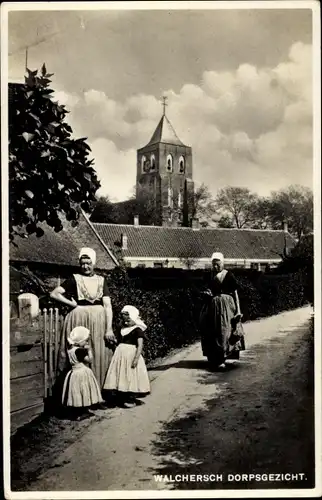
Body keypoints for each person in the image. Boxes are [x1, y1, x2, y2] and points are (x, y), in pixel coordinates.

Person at [51, 247, 116, 390]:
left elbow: (107, 305)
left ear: (94, 263)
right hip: (79, 318)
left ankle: (98, 392)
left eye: (88, 263)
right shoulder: (74, 279)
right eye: (82, 263)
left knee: (98, 353)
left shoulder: (101, 280)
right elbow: (54, 294)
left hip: (99, 321)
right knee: (79, 353)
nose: (85, 266)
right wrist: (72, 304)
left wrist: (109, 328)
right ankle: (78, 392)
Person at [199, 252, 244, 370]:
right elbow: (205, 289)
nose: (215, 267)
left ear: (222, 263)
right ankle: (213, 357)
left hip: (227, 307)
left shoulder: (228, 275)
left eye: (217, 264)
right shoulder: (209, 276)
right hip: (212, 306)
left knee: (224, 331)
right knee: (210, 331)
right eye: (213, 265)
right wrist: (206, 293)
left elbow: (235, 293)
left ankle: (222, 358)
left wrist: (238, 310)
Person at [103, 305, 150, 408]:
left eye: (128, 316)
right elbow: (120, 341)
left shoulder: (137, 330)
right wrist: (114, 341)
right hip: (120, 354)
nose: (126, 319)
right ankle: (122, 396)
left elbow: (140, 345)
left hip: (131, 354)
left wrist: (136, 358)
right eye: (124, 316)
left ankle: (131, 397)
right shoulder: (122, 329)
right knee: (122, 373)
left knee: (131, 374)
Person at [62, 326, 104, 421]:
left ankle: (77, 412)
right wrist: (89, 350)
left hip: (74, 372)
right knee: (83, 390)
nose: (86, 343)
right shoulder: (79, 351)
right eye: (85, 341)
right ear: (79, 340)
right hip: (82, 372)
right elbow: (90, 360)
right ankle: (82, 412)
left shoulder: (70, 350)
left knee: (76, 391)